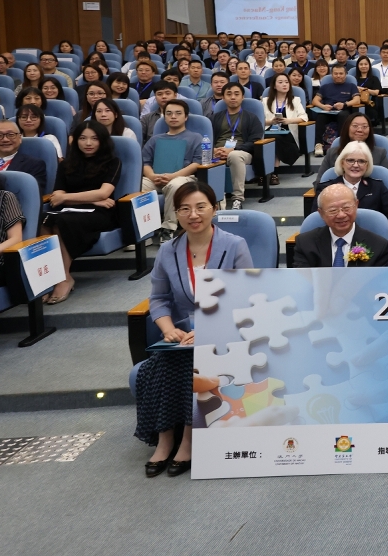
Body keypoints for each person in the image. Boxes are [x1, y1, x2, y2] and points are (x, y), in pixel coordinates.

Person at [134, 181, 251, 478]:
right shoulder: (167, 250)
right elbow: (159, 298)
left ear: (215, 208)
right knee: (161, 363)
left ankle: (187, 440)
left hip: (226, 331)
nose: (193, 215)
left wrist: (209, 329)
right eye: (184, 209)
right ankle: (164, 440)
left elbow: (245, 297)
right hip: (183, 334)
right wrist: (167, 328)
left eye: (200, 207)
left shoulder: (234, 245)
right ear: (176, 213)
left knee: (194, 363)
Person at [41, 120, 122, 303]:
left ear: (102, 141)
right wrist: (93, 198)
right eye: (83, 138)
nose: (88, 143)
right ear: (75, 140)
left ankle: (64, 277)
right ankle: (51, 277)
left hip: (101, 212)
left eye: (94, 139)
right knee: (43, 219)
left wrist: (72, 198)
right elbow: (57, 196)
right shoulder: (66, 165)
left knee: (62, 221)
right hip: (72, 209)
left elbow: (104, 193)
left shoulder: (113, 162)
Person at [140, 100, 205, 240]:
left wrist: (173, 176)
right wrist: (152, 176)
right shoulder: (155, 139)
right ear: (164, 116)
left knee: (176, 185)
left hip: (184, 178)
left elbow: (197, 163)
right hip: (156, 178)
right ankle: (145, 231)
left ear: (185, 117)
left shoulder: (195, 138)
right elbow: (145, 162)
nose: (173, 116)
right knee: (138, 187)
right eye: (169, 113)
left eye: (178, 113)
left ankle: (168, 228)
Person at [292, 183, 388, 267]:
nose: (341, 215)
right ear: (321, 213)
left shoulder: (378, 245)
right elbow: (302, 280)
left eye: (346, 208)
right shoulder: (305, 243)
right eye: (333, 210)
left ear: (356, 205)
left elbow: (378, 282)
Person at [210, 82, 264, 210]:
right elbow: (206, 138)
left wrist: (233, 149)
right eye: (229, 94)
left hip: (242, 152)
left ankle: (237, 198)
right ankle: (215, 201)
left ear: (242, 97)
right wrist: (213, 150)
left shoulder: (251, 118)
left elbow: (255, 141)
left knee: (234, 156)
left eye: (236, 94)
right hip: (218, 152)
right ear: (223, 98)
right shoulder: (214, 118)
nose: (233, 97)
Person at [313, 113, 388, 186]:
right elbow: (319, 182)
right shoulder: (332, 153)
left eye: (364, 127)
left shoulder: (380, 153)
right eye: (355, 126)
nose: (360, 130)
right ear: (347, 128)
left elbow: (386, 183)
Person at [309, 62, 363, 152]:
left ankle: (341, 143)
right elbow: (315, 101)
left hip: (344, 110)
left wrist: (344, 104)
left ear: (345, 74)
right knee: (320, 117)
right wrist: (323, 106)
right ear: (332, 74)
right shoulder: (325, 87)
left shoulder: (351, 86)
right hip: (328, 111)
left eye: (341, 73)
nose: (338, 76)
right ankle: (318, 144)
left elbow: (357, 100)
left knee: (343, 115)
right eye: (336, 73)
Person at [0, 118, 48, 193]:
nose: (5, 139)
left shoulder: (34, 165)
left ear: (20, 138)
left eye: (11, 135)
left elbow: (33, 195)